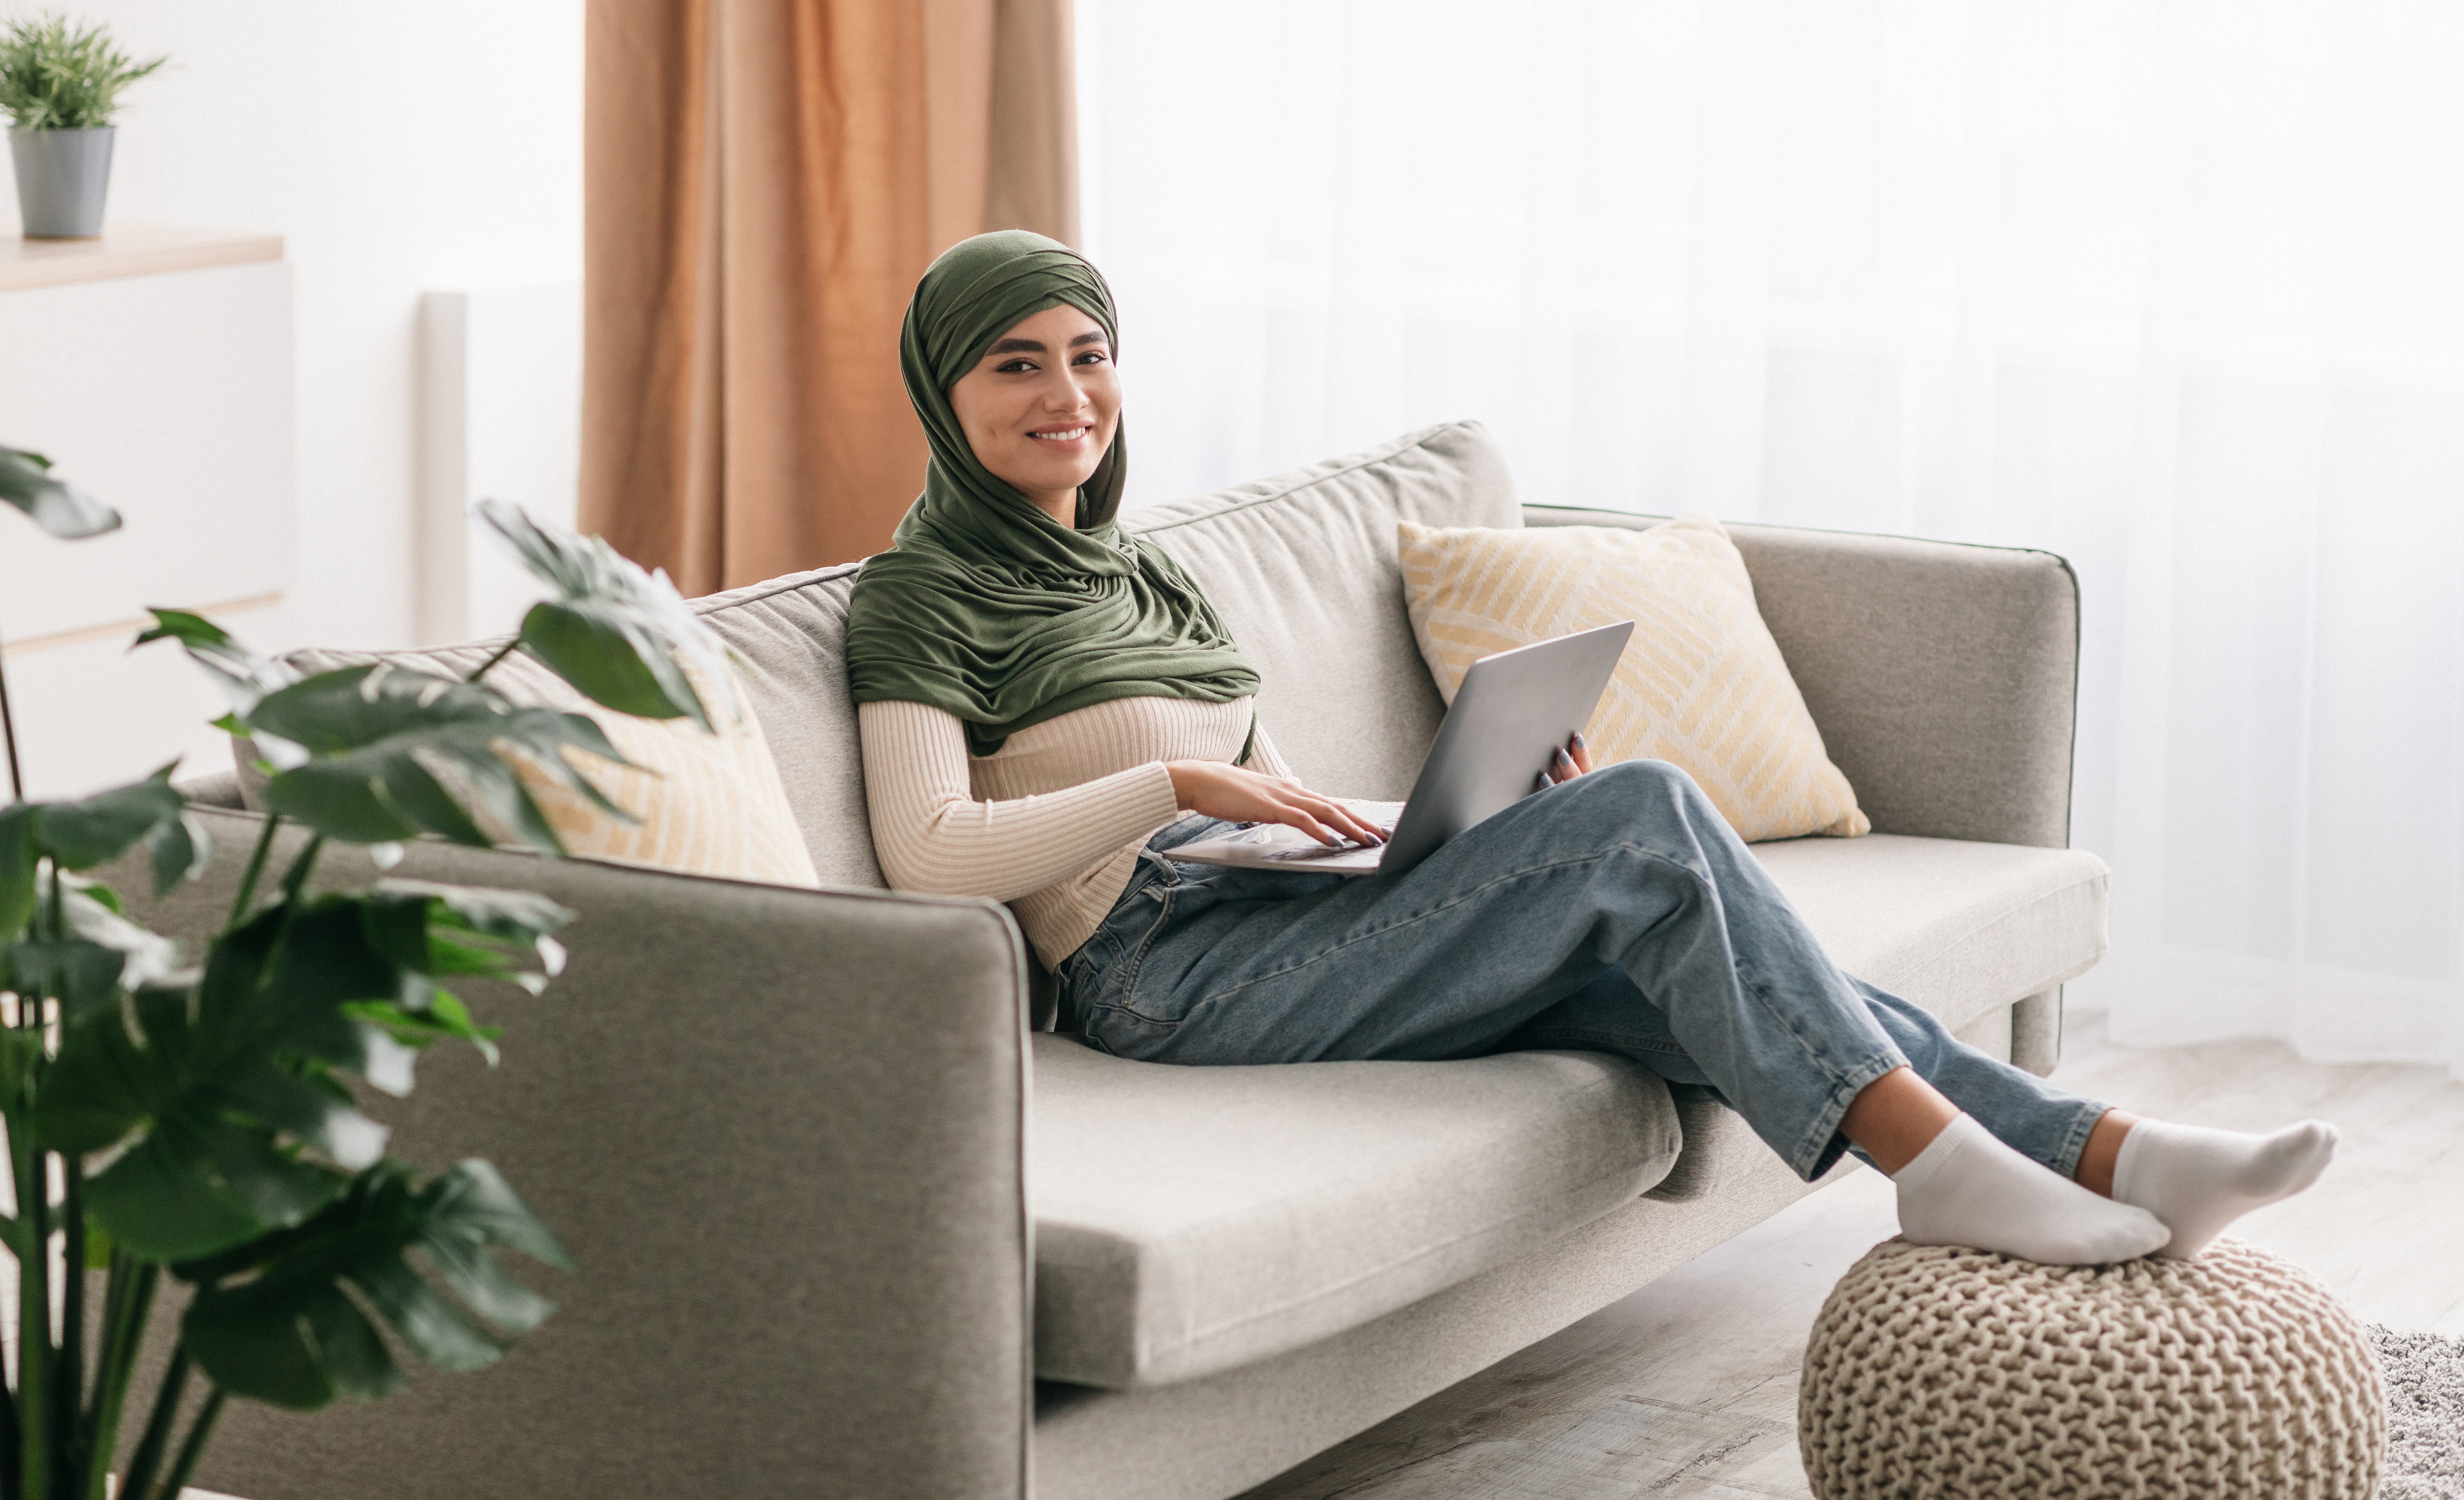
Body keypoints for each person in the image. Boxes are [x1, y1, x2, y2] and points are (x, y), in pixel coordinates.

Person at [846, 229, 2336, 1267]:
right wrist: (1167, 783)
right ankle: (1946, 1173)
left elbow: (1277, 799)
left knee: (1697, 963)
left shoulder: (1142, 570)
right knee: (1647, 816)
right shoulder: (920, 595)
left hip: (1277, 906)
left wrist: (1465, 813)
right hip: (1156, 974)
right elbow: (928, 854)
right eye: (1015, 367)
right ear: (943, 393)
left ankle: (2110, 1151)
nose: (1067, 398)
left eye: (1089, 355)